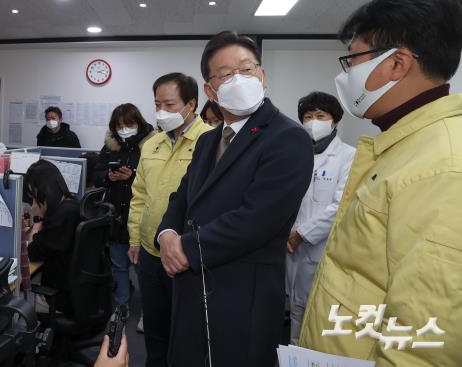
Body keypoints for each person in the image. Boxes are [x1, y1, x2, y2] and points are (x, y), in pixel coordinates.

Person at [300, 1, 462, 365]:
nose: (347, 73)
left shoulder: (442, 167)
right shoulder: (403, 145)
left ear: (396, 63)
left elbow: (424, 342)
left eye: (353, 59)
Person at [156, 32, 313, 366]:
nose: (240, 79)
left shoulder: (288, 138)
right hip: (192, 288)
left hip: (243, 296)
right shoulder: (207, 141)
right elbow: (183, 196)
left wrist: (185, 248)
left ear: (263, 75)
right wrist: (167, 234)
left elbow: (258, 219)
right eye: (226, 74)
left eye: (247, 68)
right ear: (211, 91)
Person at [127, 72, 212, 366]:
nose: (161, 111)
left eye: (169, 104)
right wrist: (135, 238)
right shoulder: (151, 144)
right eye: (157, 104)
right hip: (151, 254)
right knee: (154, 330)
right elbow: (139, 196)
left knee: (188, 334)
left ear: (191, 104)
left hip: (186, 257)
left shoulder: (211, 142)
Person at [285, 91, 355, 346]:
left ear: (334, 121)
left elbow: (340, 205)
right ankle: (292, 354)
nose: (313, 121)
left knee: (316, 311)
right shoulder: (294, 153)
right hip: (289, 247)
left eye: (320, 116)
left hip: (321, 247)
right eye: (307, 116)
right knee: (294, 307)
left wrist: (302, 234)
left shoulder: (349, 156)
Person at [94, 103, 156, 312]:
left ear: (138, 122)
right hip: (115, 215)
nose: (124, 129)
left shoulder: (152, 144)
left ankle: (148, 309)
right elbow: (97, 175)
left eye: (128, 124)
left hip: (140, 215)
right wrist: (108, 177)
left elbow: (157, 181)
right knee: (119, 266)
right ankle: (122, 304)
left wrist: (133, 177)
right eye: (119, 126)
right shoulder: (111, 145)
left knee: (142, 268)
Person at [24, 160, 82, 314]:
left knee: (16, 299)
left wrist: (37, 221)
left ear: (43, 190)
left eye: (34, 196)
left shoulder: (60, 219)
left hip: (60, 299)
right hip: (79, 293)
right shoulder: (73, 206)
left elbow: (32, 253)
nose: (33, 201)